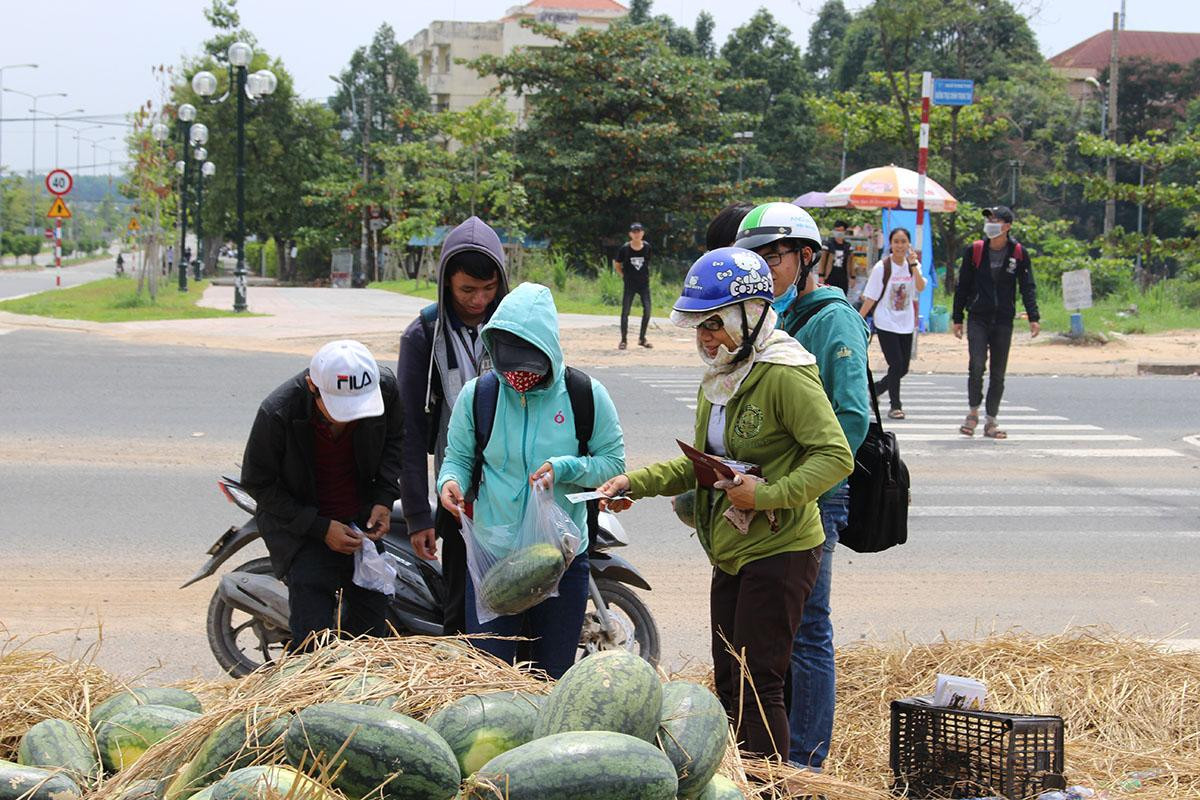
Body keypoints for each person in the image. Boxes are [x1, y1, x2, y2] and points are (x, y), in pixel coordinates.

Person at [599, 249, 853, 761]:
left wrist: (767, 495)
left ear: (751, 315)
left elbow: (835, 456)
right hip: (732, 548)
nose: (705, 338)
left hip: (781, 548)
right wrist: (633, 481)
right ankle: (737, 775)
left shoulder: (784, 373)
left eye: (714, 324)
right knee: (729, 676)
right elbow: (703, 463)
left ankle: (772, 785)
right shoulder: (721, 379)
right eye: (698, 327)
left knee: (761, 682)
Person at [437, 283, 625, 679]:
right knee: (490, 675)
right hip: (495, 558)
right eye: (510, 368)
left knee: (550, 677)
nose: (518, 377)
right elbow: (457, 457)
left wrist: (565, 468)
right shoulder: (479, 396)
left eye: (529, 368)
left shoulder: (584, 395)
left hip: (561, 559)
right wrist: (449, 482)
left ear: (549, 353)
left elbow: (612, 463)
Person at [740, 205, 871, 771]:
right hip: (774, 492)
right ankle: (779, 744)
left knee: (809, 625)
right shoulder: (777, 318)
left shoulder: (830, 319)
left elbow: (852, 417)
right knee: (781, 625)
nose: (765, 269)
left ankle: (807, 761)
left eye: (775, 256)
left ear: (807, 257)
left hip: (816, 493)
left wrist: (799, 483)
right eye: (757, 259)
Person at [239, 339, 404, 650]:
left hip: (360, 523)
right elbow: (259, 484)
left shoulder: (386, 390)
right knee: (312, 643)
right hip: (303, 531)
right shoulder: (277, 412)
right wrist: (320, 527)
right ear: (312, 386)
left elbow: (395, 443)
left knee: (370, 640)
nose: (350, 418)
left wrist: (383, 498)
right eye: (339, 409)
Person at [398, 216, 508, 635]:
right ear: (446, 282)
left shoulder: (517, 326)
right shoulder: (423, 335)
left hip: (516, 488)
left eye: (488, 288)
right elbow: (407, 430)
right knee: (462, 609)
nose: (479, 300)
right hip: (457, 493)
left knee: (515, 602)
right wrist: (416, 517)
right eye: (467, 290)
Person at [952, 206, 1041, 439]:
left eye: (996, 219)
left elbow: (1027, 286)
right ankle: (972, 413)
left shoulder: (1019, 253)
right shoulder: (975, 250)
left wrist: (1034, 317)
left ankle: (991, 420)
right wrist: (957, 317)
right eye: (989, 219)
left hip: (1003, 318)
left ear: (1008, 226)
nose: (991, 223)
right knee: (976, 365)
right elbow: (962, 285)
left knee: (998, 372)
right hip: (978, 317)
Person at [858, 227, 926, 419]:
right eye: (896, 241)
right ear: (891, 244)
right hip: (886, 321)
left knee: (903, 367)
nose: (899, 245)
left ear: (908, 244)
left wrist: (913, 266)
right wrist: (858, 319)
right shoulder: (882, 267)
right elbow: (870, 297)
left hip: (905, 322)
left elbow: (920, 287)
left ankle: (876, 390)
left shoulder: (913, 265)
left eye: (903, 241)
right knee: (895, 364)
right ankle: (895, 406)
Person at [732, 202, 823, 317]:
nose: (762, 271)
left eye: (771, 258)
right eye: (755, 261)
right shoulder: (780, 313)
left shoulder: (832, 318)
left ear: (805, 256)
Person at [614, 222, 653, 350]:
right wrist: (624, 276)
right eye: (634, 232)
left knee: (647, 310)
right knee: (625, 312)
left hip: (644, 284)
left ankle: (642, 338)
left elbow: (648, 263)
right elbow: (617, 264)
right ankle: (623, 340)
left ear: (642, 233)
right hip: (630, 284)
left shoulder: (647, 247)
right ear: (630, 234)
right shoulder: (625, 248)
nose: (637, 234)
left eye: (639, 231)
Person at [817, 220, 854, 294]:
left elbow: (851, 263)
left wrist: (852, 277)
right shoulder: (828, 244)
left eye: (841, 230)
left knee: (842, 297)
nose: (839, 232)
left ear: (845, 231)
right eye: (837, 230)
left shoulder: (848, 246)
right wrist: (821, 275)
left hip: (843, 278)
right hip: (829, 277)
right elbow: (822, 260)